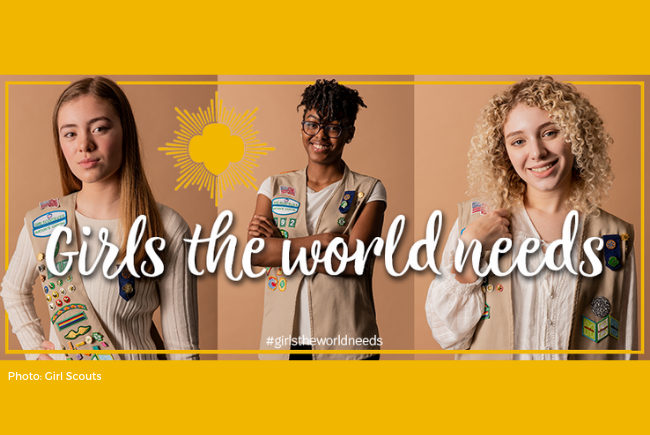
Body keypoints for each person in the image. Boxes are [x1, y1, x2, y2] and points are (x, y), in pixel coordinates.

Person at [425, 77, 637, 360]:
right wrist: (469, 250)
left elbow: (624, 347)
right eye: (519, 141)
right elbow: (447, 334)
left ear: (577, 136)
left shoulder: (614, 237)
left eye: (550, 133)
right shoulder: (475, 223)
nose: (536, 152)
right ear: (504, 152)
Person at [1, 77, 199, 360]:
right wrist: (36, 353)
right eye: (70, 133)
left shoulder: (167, 228)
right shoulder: (46, 223)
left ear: (124, 132)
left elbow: (183, 351)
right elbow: (13, 290)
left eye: (99, 128)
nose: (84, 144)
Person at [247, 79, 387, 360]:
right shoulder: (272, 187)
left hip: (348, 344)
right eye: (312, 124)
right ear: (302, 127)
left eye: (333, 127)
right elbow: (257, 254)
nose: (320, 135)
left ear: (349, 133)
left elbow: (352, 262)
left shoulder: (370, 189)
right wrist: (323, 241)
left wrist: (283, 252)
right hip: (283, 345)